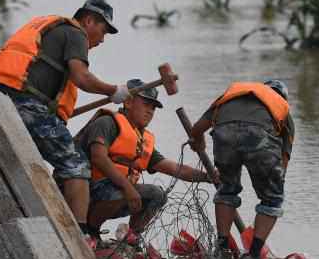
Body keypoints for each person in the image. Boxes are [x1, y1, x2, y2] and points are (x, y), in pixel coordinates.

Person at [0, 0, 132, 242]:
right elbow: (81, 77)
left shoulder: (51, 27)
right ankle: (81, 235)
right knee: (77, 164)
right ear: (89, 20)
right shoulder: (76, 34)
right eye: (104, 30)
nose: (103, 39)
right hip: (26, 104)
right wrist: (113, 91)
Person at [74, 79, 214, 242]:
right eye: (146, 104)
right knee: (117, 193)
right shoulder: (107, 123)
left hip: (115, 193)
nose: (150, 111)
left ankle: (131, 240)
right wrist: (128, 187)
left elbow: (176, 168)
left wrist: (207, 176)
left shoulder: (141, 140)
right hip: (86, 191)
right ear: (128, 102)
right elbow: (98, 157)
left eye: (153, 108)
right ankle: (91, 230)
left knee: (157, 195)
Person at [188, 80, 295, 259]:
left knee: (227, 189)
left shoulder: (233, 95)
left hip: (223, 133)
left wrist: (200, 143)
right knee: (273, 198)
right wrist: (273, 184)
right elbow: (283, 160)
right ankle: (253, 256)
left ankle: (221, 249)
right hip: (259, 134)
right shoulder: (280, 106)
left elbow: (196, 129)